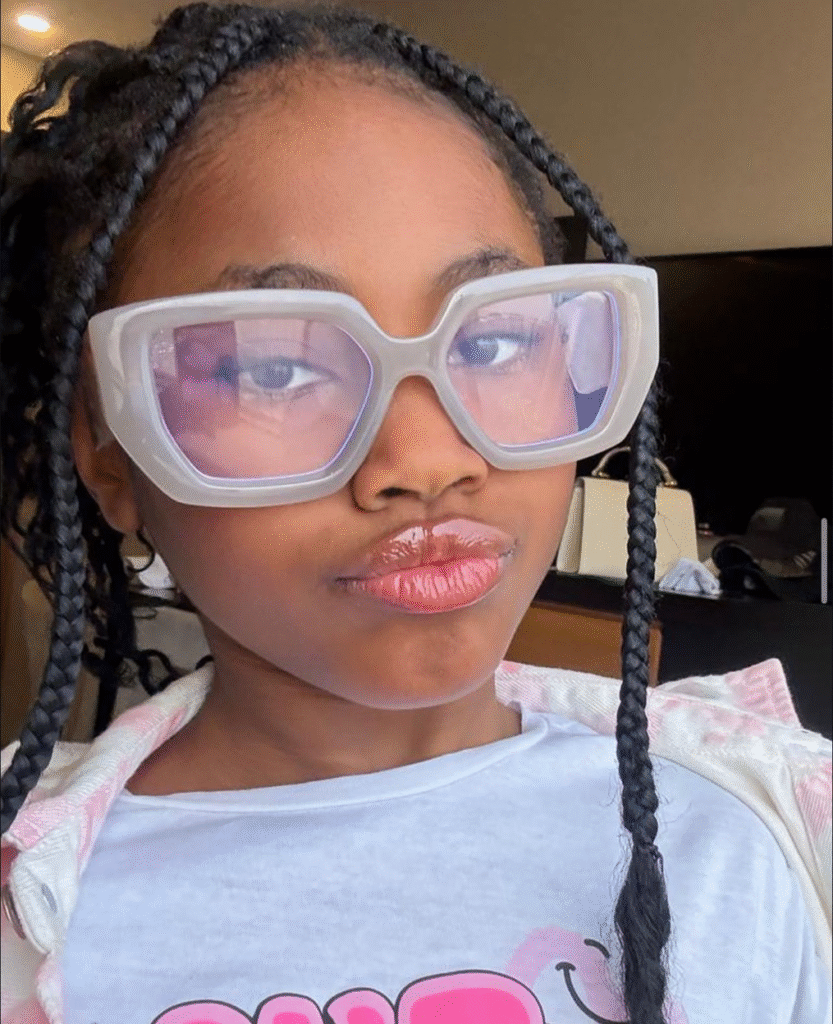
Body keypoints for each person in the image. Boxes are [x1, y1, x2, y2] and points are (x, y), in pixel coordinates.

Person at [0, 4, 829, 1023]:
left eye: (492, 343)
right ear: (111, 455)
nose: (427, 461)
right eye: (274, 367)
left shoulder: (735, 845)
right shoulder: (29, 910)